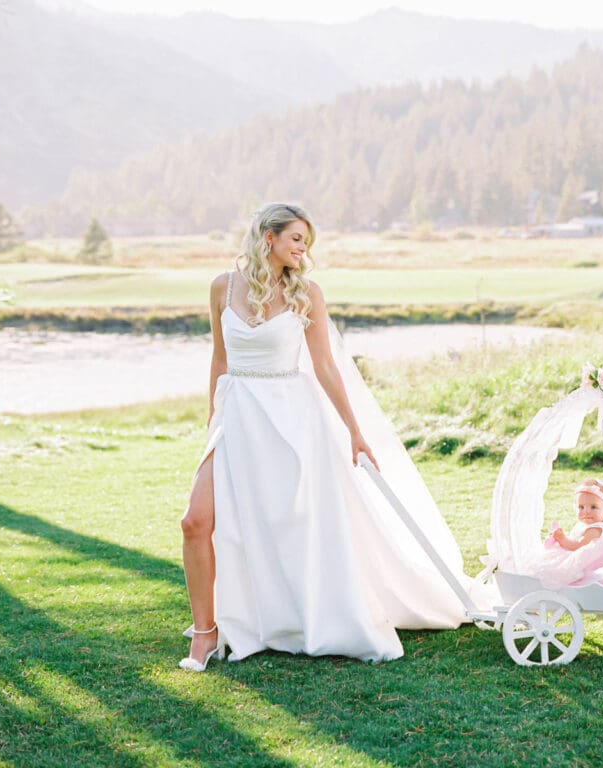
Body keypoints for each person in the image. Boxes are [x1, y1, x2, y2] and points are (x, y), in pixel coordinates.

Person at [178, 203, 467, 671]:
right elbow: (219, 358)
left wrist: (355, 431)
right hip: (237, 417)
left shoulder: (306, 293)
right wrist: (214, 419)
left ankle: (297, 614)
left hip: (292, 420)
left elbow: (326, 366)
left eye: (306, 242)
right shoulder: (221, 287)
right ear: (267, 238)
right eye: (296, 239)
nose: (302, 249)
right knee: (196, 521)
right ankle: (206, 632)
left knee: (294, 525)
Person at [534, 479, 603, 590]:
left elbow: (579, 547)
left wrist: (563, 540)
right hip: (586, 559)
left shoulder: (595, 529)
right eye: (581, 507)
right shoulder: (588, 525)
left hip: (591, 564)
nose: (586, 511)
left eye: (593, 507)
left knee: (560, 567)